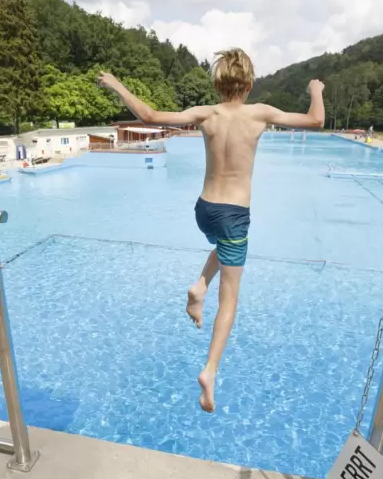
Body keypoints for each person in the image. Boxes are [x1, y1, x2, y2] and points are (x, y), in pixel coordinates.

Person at [98, 48, 325, 413]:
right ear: (249, 85)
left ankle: (198, 286)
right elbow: (316, 120)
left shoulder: (206, 114)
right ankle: (210, 370)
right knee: (231, 299)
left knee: (223, 245)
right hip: (234, 213)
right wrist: (316, 89)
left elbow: (149, 114)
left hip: (204, 209)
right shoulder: (261, 113)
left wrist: (117, 85)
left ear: (218, 84)